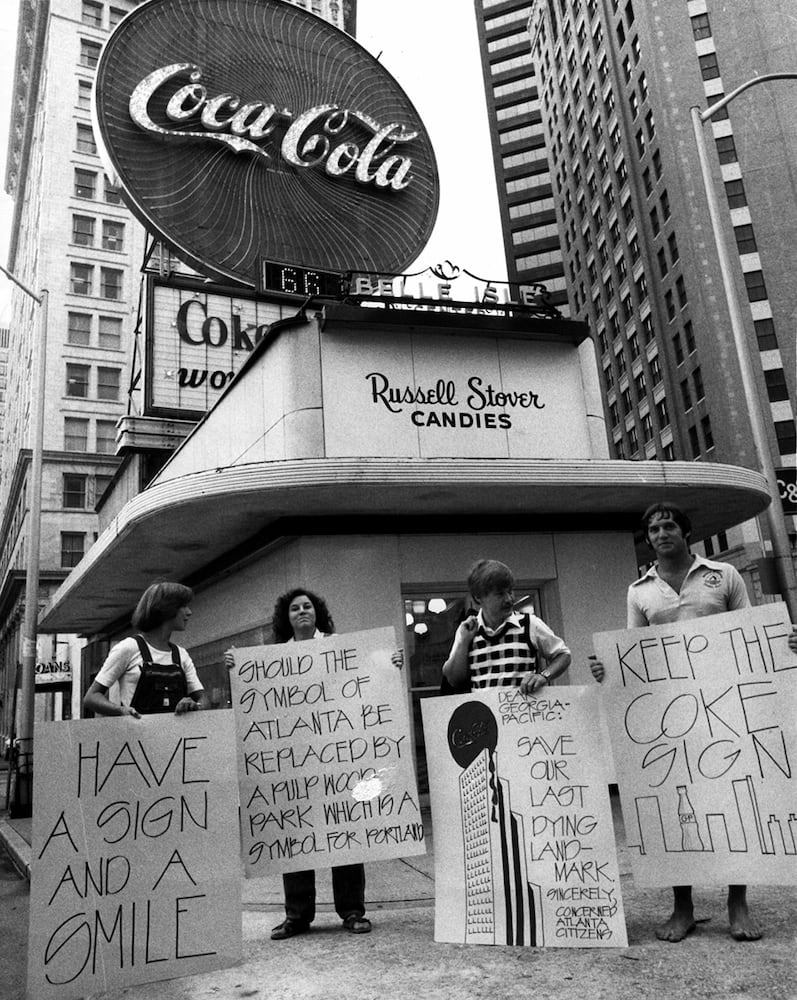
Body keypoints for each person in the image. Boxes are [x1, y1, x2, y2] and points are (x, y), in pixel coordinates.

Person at [589, 501, 795, 943]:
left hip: (725, 709)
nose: (661, 534)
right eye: (653, 529)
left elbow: (750, 633)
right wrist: (609, 668)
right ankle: (682, 907)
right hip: (670, 713)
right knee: (675, 806)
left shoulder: (725, 576)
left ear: (685, 532)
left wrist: (784, 643)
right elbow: (634, 651)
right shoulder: (638, 590)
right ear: (647, 538)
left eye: (668, 526)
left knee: (736, 799)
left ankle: (736, 902)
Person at [227, 588, 375, 939]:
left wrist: (390, 662)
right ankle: (297, 916)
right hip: (294, 760)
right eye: (295, 608)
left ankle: (352, 911)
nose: (302, 611)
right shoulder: (275, 657)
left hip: (336, 756)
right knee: (295, 835)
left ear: (317, 612)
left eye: (307, 606)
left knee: (345, 833)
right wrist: (237, 669)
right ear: (286, 617)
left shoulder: (338, 646)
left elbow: (367, 675)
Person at [442, 558, 571, 694]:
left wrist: (544, 676)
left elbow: (563, 655)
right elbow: (454, 680)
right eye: (500, 594)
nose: (509, 599)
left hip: (521, 712)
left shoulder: (529, 624)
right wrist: (463, 642)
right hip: (484, 713)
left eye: (510, 591)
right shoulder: (469, 630)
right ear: (478, 597)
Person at [83, 581, 207, 718]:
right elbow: (91, 697)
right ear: (167, 609)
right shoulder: (128, 648)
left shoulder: (181, 655)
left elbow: (203, 699)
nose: (189, 612)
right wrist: (120, 710)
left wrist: (195, 706)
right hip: (139, 736)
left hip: (176, 738)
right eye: (183, 606)